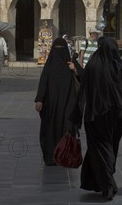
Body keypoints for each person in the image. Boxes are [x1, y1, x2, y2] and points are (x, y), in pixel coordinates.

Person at [71, 37, 122, 201]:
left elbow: (82, 91)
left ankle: (107, 185)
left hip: (95, 116)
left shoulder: (93, 66)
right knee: (111, 148)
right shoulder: (121, 68)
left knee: (99, 149)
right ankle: (106, 181)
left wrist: (76, 117)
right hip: (117, 118)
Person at [35, 37, 82, 166]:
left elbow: (84, 78)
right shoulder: (49, 65)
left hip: (68, 105)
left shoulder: (71, 63)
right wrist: (39, 100)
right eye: (57, 49)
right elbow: (43, 82)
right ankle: (51, 157)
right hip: (51, 106)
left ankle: (65, 156)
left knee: (67, 128)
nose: (59, 51)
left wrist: (75, 69)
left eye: (62, 49)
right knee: (50, 129)